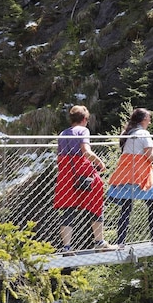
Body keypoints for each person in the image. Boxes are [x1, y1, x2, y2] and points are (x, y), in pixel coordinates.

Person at [53, 105, 117, 252]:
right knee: (96, 204)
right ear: (84, 119)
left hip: (66, 176)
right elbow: (86, 152)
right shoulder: (83, 130)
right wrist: (100, 162)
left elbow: (62, 156)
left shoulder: (63, 134)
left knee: (68, 210)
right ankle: (99, 242)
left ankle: (66, 247)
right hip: (83, 173)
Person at [107, 108, 153, 245]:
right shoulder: (144, 133)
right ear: (144, 120)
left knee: (126, 208)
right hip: (141, 174)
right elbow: (150, 158)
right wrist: (152, 151)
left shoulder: (126, 133)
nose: (149, 122)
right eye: (149, 119)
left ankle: (120, 242)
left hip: (126, 173)